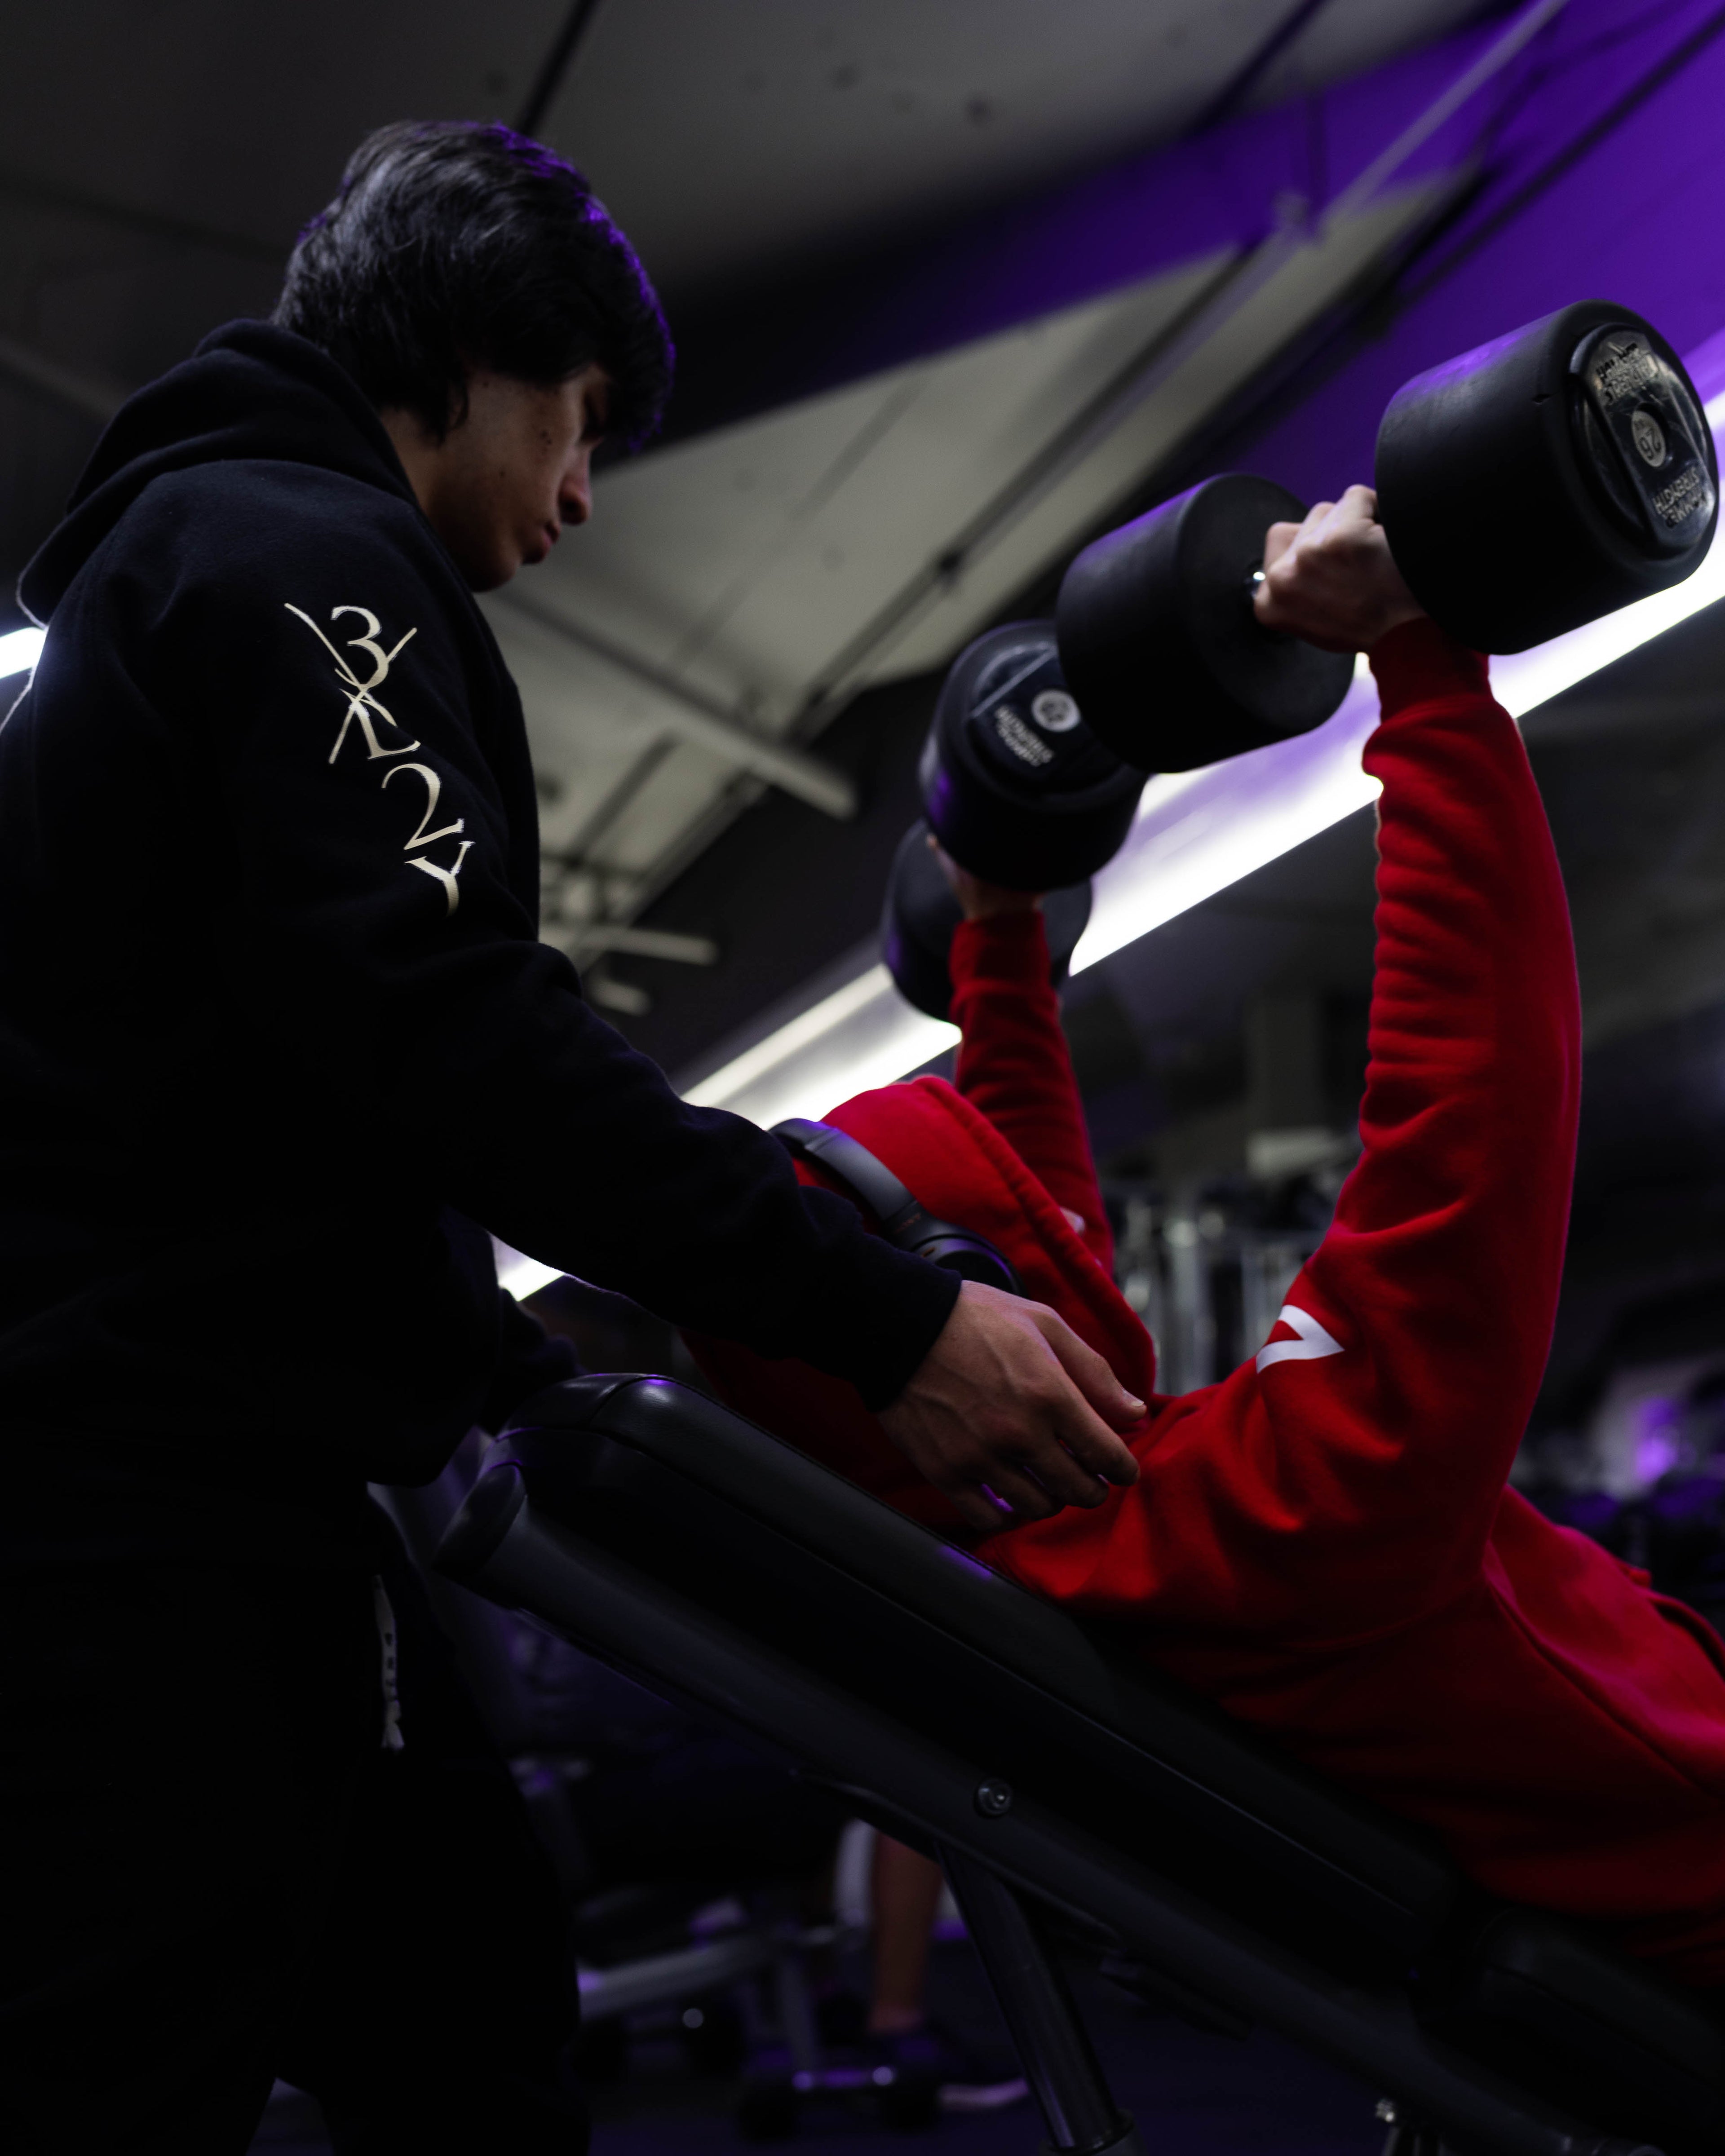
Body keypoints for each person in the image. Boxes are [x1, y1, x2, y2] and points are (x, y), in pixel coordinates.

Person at [0, 122, 1147, 2153]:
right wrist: (878, 1319)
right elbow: (462, 1042)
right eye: (582, 420)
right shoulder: (297, 559)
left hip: (231, 1482)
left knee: (468, 2016)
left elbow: (299, 1118)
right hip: (148, 1517)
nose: (587, 490)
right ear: (470, 354)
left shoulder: (198, 570)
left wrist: (524, 1357)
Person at [690, 483, 1725, 1993]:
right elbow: (1469, 1127)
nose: (1069, 1247)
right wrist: (1423, 676)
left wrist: (1002, 932)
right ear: (966, 1312)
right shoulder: (1274, 1520)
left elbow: (1035, 1233)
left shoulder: (1087, 1542)